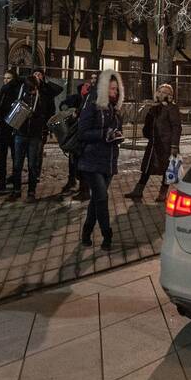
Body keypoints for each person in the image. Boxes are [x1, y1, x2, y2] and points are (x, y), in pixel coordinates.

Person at [78, 70, 124, 250]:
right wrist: (104, 134)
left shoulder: (115, 108)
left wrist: (117, 136)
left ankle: (86, 232)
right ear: (104, 89)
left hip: (109, 160)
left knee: (96, 200)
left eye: (117, 89)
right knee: (102, 198)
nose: (115, 92)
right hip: (91, 159)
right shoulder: (93, 104)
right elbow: (83, 132)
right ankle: (107, 236)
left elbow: (115, 131)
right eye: (112, 89)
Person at [126, 82, 182, 202]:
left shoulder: (172, 107)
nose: (162, 94)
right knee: (147, 167)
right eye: (161, 91)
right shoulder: (154, 107)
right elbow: (149, 125)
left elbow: (176, 127)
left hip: (166, 145)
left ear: (171, 95)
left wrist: (174, 145)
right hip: (154, 144)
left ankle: (163, 193)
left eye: (166, 92)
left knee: (168, 169)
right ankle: (138, 190)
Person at [8, 76, 51, 202]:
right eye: (29, 89)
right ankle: (16, 190)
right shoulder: (21, 94)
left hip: (34, 135)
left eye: (33, 88)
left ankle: (31, 192)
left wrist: (36, 115)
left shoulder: (42, 97)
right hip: (20, 133)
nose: (31, 91)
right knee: (17, 164)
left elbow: (46, 114)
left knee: (32, 165)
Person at [59, 77, 92, 196]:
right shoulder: (77, 98)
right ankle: (73, 181)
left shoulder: (90, 100)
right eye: (85, 86)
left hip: (83, 136)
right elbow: (64, 104)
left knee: (82, 162)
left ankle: (84, 189)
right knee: (73, 160)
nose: (87, 88)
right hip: (76, 135)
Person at [0, 69, 21, 191]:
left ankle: (15, 179)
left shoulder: (18, 93)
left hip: (13, 128)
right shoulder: (1, 93)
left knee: (15, 156)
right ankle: (2, 181)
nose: (6, 80)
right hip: (2, 128)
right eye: (5, 78)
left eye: (9, 78)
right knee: (2, 157)